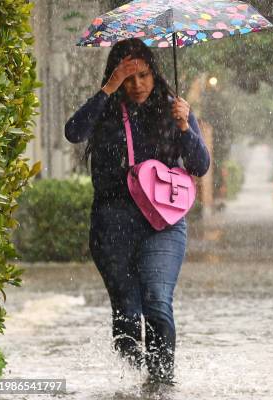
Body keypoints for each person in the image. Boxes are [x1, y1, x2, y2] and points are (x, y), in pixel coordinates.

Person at [64, 38, 210, 385]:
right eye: (128, 77)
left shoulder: (174, 110)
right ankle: (132, 384)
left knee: (157, 303)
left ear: (154, 73)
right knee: (128, 317)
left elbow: (200, 165)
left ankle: (161, 385)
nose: (138, 85)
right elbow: (74, 132)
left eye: (143, 75)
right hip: (112, 224)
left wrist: (186, 128)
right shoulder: (106, 112)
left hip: (162, 223)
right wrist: (108, 88)